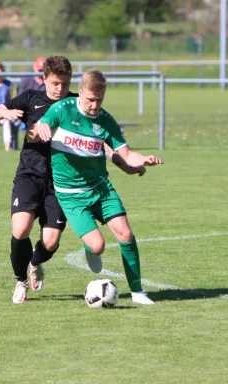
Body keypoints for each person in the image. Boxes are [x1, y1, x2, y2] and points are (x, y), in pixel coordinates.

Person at [0, 57, 144, 304]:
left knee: (50, 242)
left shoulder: (75, 104)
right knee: (21, 229)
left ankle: (36, 263)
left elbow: (100, 142)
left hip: (62, 184)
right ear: (45, 79)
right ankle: (20, 282)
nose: (59, 89)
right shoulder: (30, 98)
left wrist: (127, 164)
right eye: (55, 83)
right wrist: (4, 112)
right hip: (30, 175)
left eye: (65, 83)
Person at [29, 69, 163, 305]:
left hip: (101, 189)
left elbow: (127, 154)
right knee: (98, 246)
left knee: (126, 234)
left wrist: (142, 160)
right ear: (80, 93)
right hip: (71, 195)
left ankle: (138, 292)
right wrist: (39, 130)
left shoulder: (106, 120)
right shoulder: (62, 109)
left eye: (99, 100)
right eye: (90, 99)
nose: (94, 105)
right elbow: (35, 131)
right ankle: (91, 248)